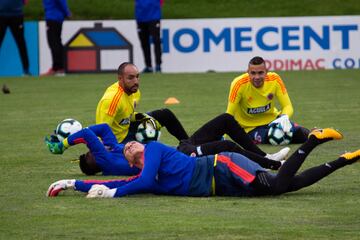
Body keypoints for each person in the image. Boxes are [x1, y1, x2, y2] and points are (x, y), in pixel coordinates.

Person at [46, 128, 360, 198]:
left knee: (277, 186)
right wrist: (73, 183)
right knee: (290, 185)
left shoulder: (153, 149)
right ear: (129, 160)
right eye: (126, 149)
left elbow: (133, 185)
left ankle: (312, 140)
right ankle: (346, 159)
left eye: (131, 142)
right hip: (221, 186)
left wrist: (110, 193)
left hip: (221, 166)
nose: (129, 144)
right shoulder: (145, 173)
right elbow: (123, 181)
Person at [45, 115, 288, 176]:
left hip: (181, 148)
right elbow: (88, 133)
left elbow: (103, 130)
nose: (99, 147)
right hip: (183, 159)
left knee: (225, 120)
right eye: (93, 151)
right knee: (228, 148)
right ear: (96, 160)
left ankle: (266, 155)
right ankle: (273, 165)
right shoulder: (108, 161)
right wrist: (64, 144)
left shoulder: (114, 150)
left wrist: (103, 143)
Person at [96, 62, 188, 144]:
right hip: (118, 142)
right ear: (120, 79)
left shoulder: (134, 91)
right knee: (153, 152)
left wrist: (145, 118)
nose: (136, 81)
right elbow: (101, 132)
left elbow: (127, 116)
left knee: (165, 115)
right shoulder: (111, 100)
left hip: (127, 128)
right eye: (130, 78)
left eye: (137, 76)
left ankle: (190, 146)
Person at [226, 56, 310, 144]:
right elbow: (229, 115)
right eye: (253, 73)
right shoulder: (238, 84)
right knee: (273, 136)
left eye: (260, 73)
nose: (257, 77)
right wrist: (222, 137)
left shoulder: (275, 79)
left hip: (274, 121)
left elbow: (287, 106)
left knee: (301, 133)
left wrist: (284, 116)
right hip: (249, 129)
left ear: (266, 72)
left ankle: (321, 133)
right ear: (248, 73)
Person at [41, 0, 71, 76]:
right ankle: (59, 68)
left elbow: (61, 2)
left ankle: (56, 68)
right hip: (57, 17)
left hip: (52, 17)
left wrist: (67, 12)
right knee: (57, 41)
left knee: (53, 42)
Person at [0, 0, 30, 76]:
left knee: (21, 43)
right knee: (21, 44)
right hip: (1, 15)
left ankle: (26, 70)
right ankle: (26, 70)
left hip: (16, 15)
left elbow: (26, 1)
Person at [135, 0, 163, 73]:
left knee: (156, 41)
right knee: (144, 42)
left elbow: (161, 2)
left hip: (154, 16)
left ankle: (158, 65)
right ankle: (148, 66)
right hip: (140, 17)